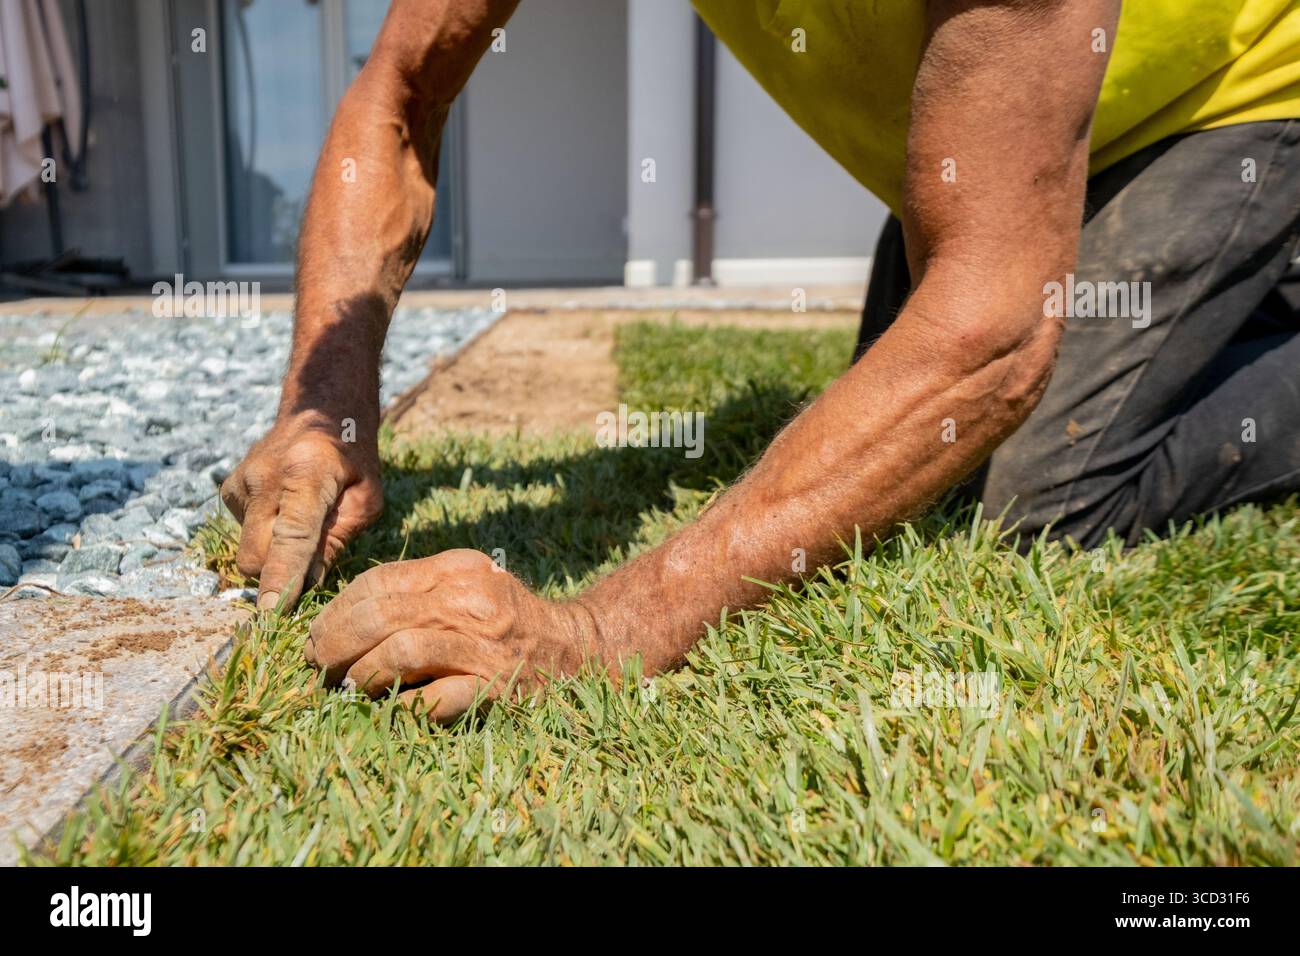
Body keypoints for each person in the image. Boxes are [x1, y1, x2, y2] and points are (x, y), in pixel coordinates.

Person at [221, 0, 1300, 720]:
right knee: (912, 457)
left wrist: (603, 630)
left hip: (1230, 95)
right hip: (1023, 143)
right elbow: (398, 96)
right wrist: (327, 406)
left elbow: (992, 331)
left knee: (1035, 496)